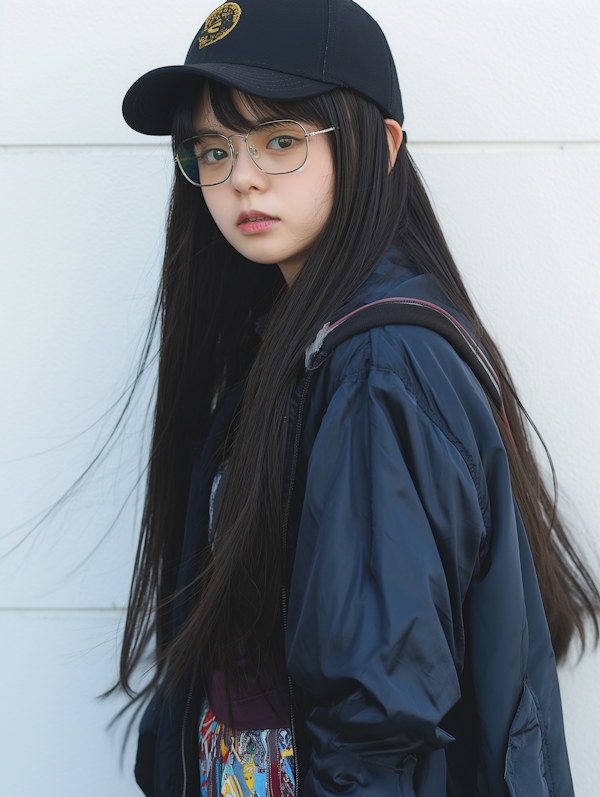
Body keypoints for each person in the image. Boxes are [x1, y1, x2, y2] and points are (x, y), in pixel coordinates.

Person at [118, 1, 599, 795]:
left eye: (279, 141)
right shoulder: (299, 341)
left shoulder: (379, 363)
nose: (241, 177)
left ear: (379, 146)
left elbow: (377, 727)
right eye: (212, 149)